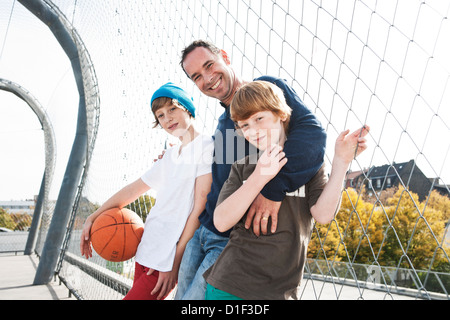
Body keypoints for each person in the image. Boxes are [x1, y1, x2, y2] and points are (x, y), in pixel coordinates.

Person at [175, 40, 327, 299]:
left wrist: (273, 190)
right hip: (203, 229)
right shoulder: (224, 125)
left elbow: (313, 136)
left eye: (209, 65)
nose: (207, 78)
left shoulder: (268, 88)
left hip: (229, 240)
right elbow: (217, 178)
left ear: (224, 56)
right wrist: (175, 155)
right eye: (197, 77)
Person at [204, 80, 370, 299]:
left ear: (281, 114)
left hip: (280, 291)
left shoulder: (309, 164)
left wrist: (341, 162)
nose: (252, 130)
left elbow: (323, 215)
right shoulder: (244, 166)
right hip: (230, 284)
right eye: (244, 125)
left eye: (259, 119)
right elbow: (221, 221)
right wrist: (259, 178)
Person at [80, 83, 213, 300]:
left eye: (172, 109)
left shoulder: (207, 146)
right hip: (146, 249)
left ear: (188, 108)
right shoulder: (170, 156)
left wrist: (174, 262)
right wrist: (93, 217)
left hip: (166, 258)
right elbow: (132, 190)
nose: (167, 118)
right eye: (160, 115)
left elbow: (199, 208)